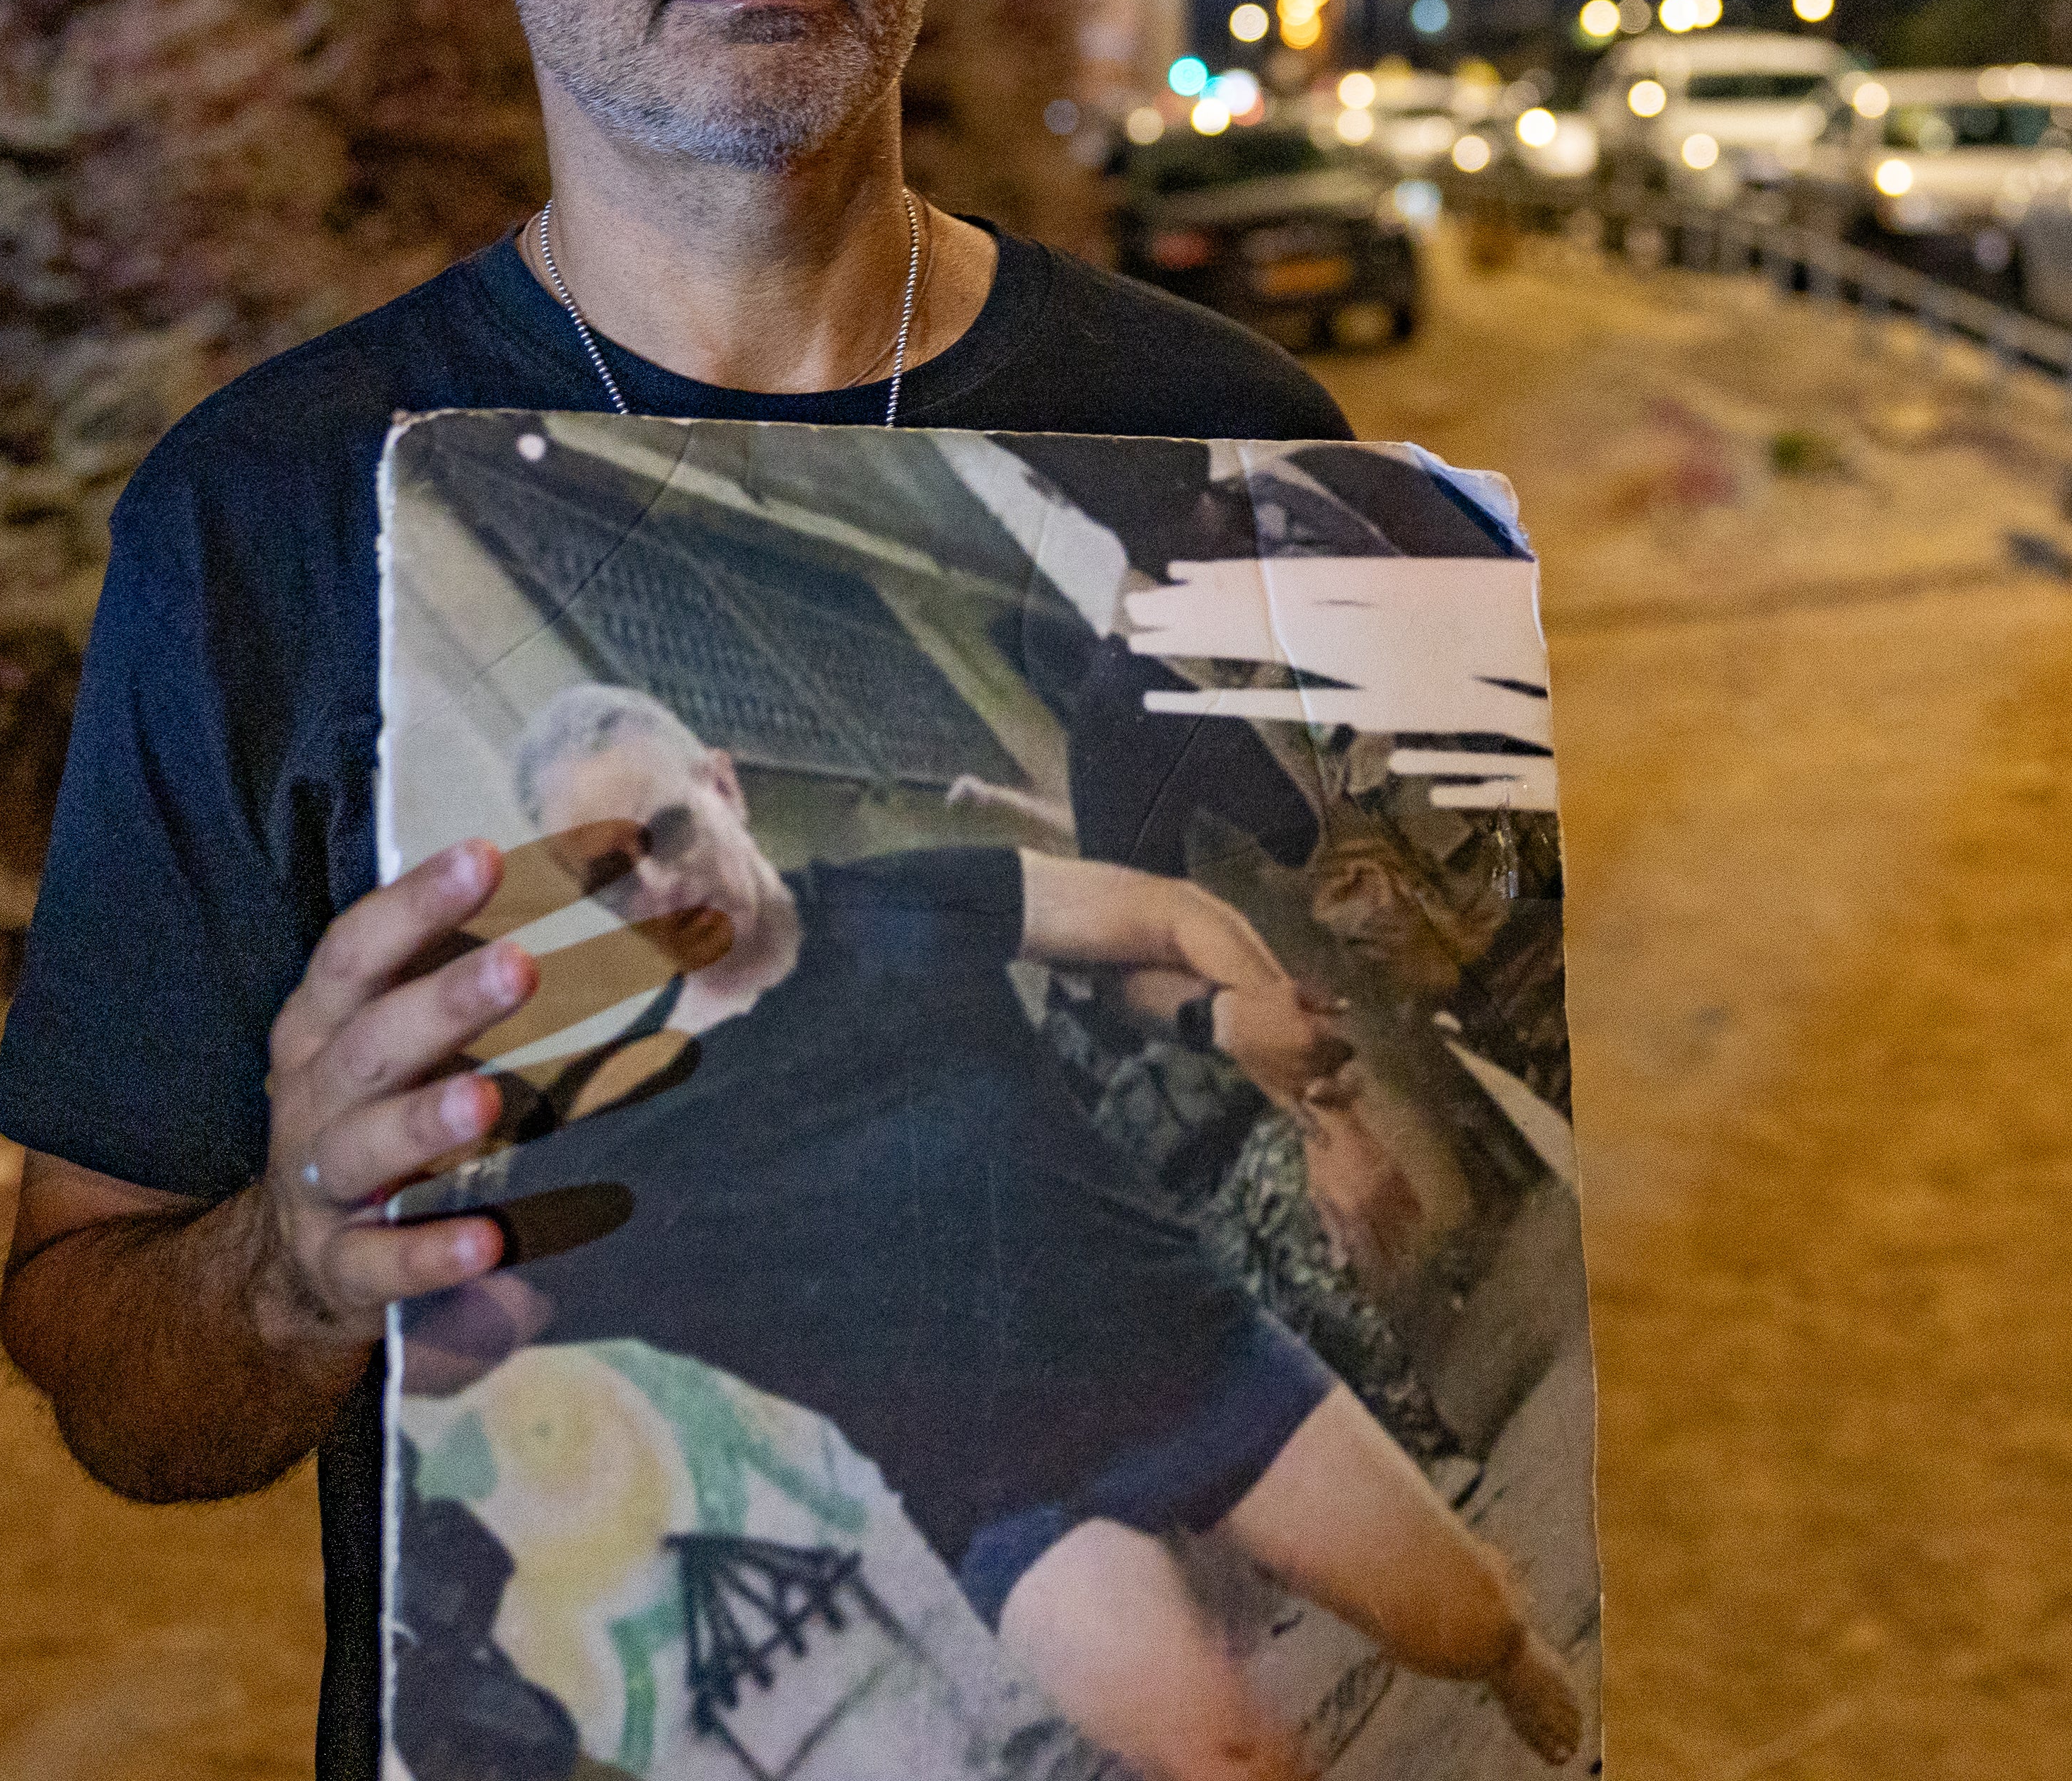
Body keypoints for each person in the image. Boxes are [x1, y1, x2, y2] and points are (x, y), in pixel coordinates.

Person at [0, 0, 1375, 1780]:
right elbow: (109, 1356)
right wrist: (301, 1260)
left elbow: (1336, 1041)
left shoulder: (1228, 456)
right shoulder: (271, 512)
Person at [393, 686, 1580, 1777]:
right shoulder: (614, 1126)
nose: (656, 887)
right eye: (609, 880)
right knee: (1237, 1762)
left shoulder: (907, 903)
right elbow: (451, 1332)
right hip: (997, 1488)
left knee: (1464, 1620)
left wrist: (1320, 1109)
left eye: (668, 833)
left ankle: (1510, 1653)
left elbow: (1164, 917)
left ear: (722, 785)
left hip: (1179, 1351)